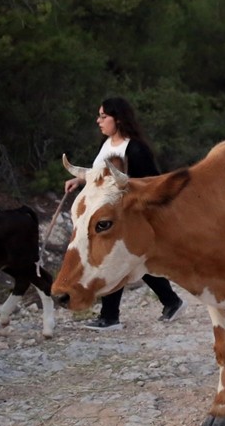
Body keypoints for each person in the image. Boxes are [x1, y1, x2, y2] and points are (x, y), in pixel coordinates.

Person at [64, 96, 185, 330]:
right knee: (132, 262)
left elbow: (152, 181)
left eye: (103, 116)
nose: (98, 121)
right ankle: (171, 301)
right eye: (99, 116)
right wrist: (78, 179)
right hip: (111, 216)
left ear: (117, 119)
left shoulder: (135, 148)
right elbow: (101, 175)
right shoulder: (108, 144)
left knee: (119, 260)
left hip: (130, 216)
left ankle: (110, 317)